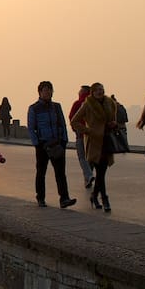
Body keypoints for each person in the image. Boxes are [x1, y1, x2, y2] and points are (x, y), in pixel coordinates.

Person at [27, 81, 77, 208]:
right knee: (41, 172)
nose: (48, 92)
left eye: (50, 90)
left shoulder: (56, 107)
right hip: (43, 144)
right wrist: (37, 143)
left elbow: (62, 124)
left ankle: (64, 198)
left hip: (57, 143)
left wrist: (64, 141)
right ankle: (41, 197)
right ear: (40, 92)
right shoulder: (34, 108)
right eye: (45, 90)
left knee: (60, 172)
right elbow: (31, 128)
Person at [70, 82, 117, 212]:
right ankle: (105, 199)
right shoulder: (88, 104)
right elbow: (74, 121)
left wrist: (114, 124)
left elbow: (114, 119)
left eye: (101, 89)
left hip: (106, 140)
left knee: (102, 172)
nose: (100, 92)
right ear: (92, 92)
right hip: (95, 142)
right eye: (97, 90)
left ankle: (94, 196)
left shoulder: (109, 103)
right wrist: (88, 131)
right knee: (100, 171)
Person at [68, 85, 94, 190]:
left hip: (81, 134)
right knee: (90, 158)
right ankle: (87, 179)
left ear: (82, 93)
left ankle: (89, 176)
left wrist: (76, 129)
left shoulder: (78, 103)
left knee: (82, 157)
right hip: (93, 135)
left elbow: (71, 117)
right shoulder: (94, 104)